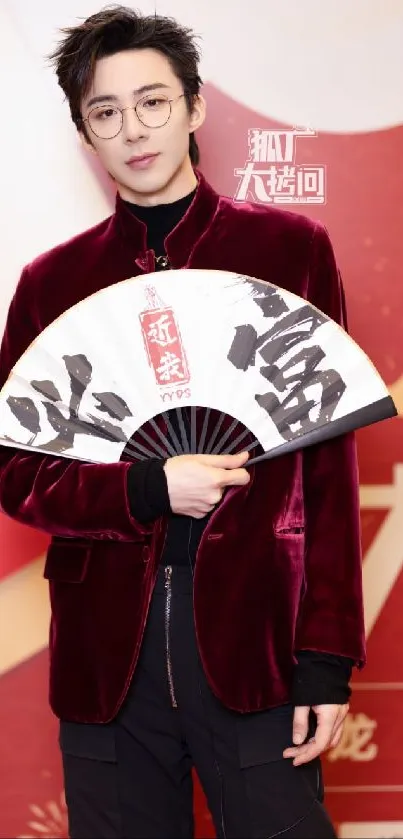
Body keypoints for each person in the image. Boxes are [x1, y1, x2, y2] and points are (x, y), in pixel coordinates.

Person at [0, 6, 365, 838]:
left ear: (194, 108)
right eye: (106, 111)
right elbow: (14, 467)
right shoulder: (51, 284)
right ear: (83, 132)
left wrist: (325, 661)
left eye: (153, 102)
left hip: (260, 651)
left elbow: (327, 470)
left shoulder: (289, 251)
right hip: (107, 664)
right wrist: (143, 486)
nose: (134, 129)